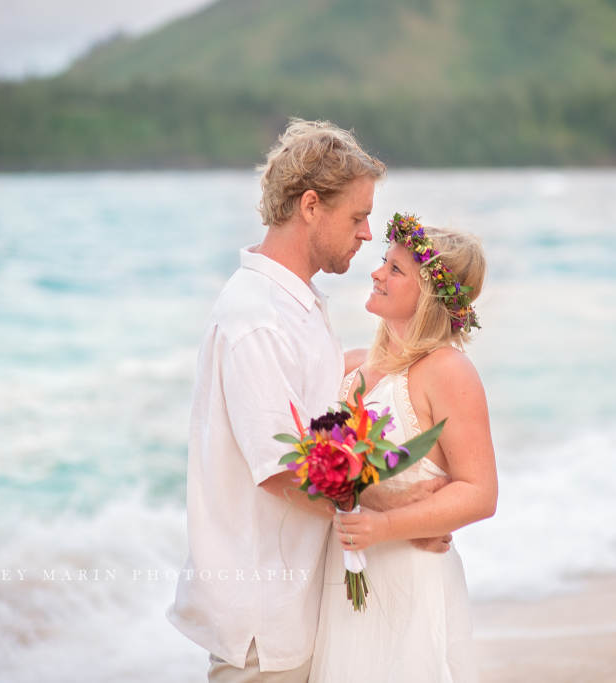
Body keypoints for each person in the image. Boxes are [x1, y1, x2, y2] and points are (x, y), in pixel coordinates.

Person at [165, 119, 450, 683]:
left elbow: (318, 404)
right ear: (311, 206)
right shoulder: (256, 319)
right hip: (261, 623)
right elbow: (283, 470)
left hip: (298, 602)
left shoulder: (296, 303)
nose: (369, 233)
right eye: (357, 216)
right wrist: (398, 513)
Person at [309, 216, 498, 683]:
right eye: (383, 263)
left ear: (430, 295)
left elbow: (480, 492)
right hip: (346, 581)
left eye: (396, 269)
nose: (377, 273)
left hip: (412, 583)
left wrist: (386, 523)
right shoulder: (350, 367)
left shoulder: (447, 371)